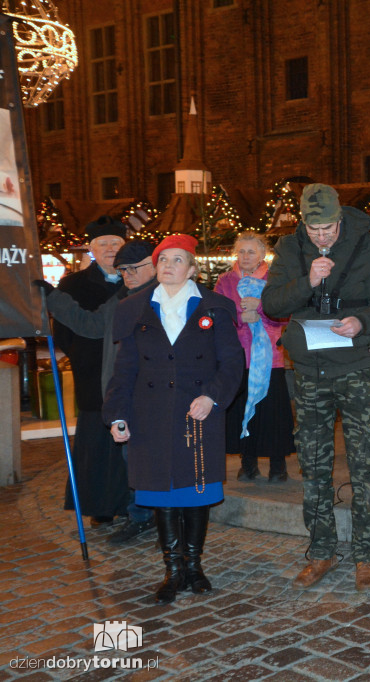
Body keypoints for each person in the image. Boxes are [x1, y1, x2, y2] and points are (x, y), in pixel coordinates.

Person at [262, 183, 370, 591]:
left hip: (356, 365)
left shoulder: (369, 246)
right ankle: (322, 551)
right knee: (313, 461)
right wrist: (307, 280)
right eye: (314, 230)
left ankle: (365, 554)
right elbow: (272, 304)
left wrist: (363, 322)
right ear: (303, 224)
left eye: (328, 228)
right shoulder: (289, 249)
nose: (321, 236)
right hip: (309, 369)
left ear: (340, 219)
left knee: (363, 462)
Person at [104, 234, 244, 604]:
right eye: (163, 259)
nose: (168, 266)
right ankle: (173, 569)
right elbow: (125, 369)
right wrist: (117, 415)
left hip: (197, 412)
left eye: (177, 259)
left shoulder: (215, 307)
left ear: (193, 268)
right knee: (162, 493)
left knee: (195, 492)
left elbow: (232, 362)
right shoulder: (134, 309)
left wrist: (212, 396)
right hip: (149, 414)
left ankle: (194, 567)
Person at [41, 241, 159, 545]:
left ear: (154, 265)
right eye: (123, 269)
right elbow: (91, 325)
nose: (127, 274)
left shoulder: (165, 297)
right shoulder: (121, 298)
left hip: (154, 394)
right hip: (123, 391)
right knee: (131, 457)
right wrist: (52, 297)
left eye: (134, 268)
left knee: (149, 457)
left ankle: (162, 517)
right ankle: (142, 516)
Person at [53, 216, 126, 527]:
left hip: (129, 372)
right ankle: (101, 506)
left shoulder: (135, 279)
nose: (110, 248)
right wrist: (84, 357)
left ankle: (133, 503)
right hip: (92, 373)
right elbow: (64, 333)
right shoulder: (72, 285)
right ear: (92, 249)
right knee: (96, 443)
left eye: (116, 243)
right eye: (103, 243)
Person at [215, 232, 294, 483]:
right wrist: (241, 317)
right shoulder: (226, 281)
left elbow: (286, 314)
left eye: (251, 251)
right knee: (241, 412)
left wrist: (260, 309)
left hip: (269, 359)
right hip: (238, 357)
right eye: (241, 251)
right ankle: (247, 464)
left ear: (262, 255)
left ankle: (278, 466)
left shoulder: (275, 279)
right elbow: (217, 315)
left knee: (272, 414)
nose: (246, 256)